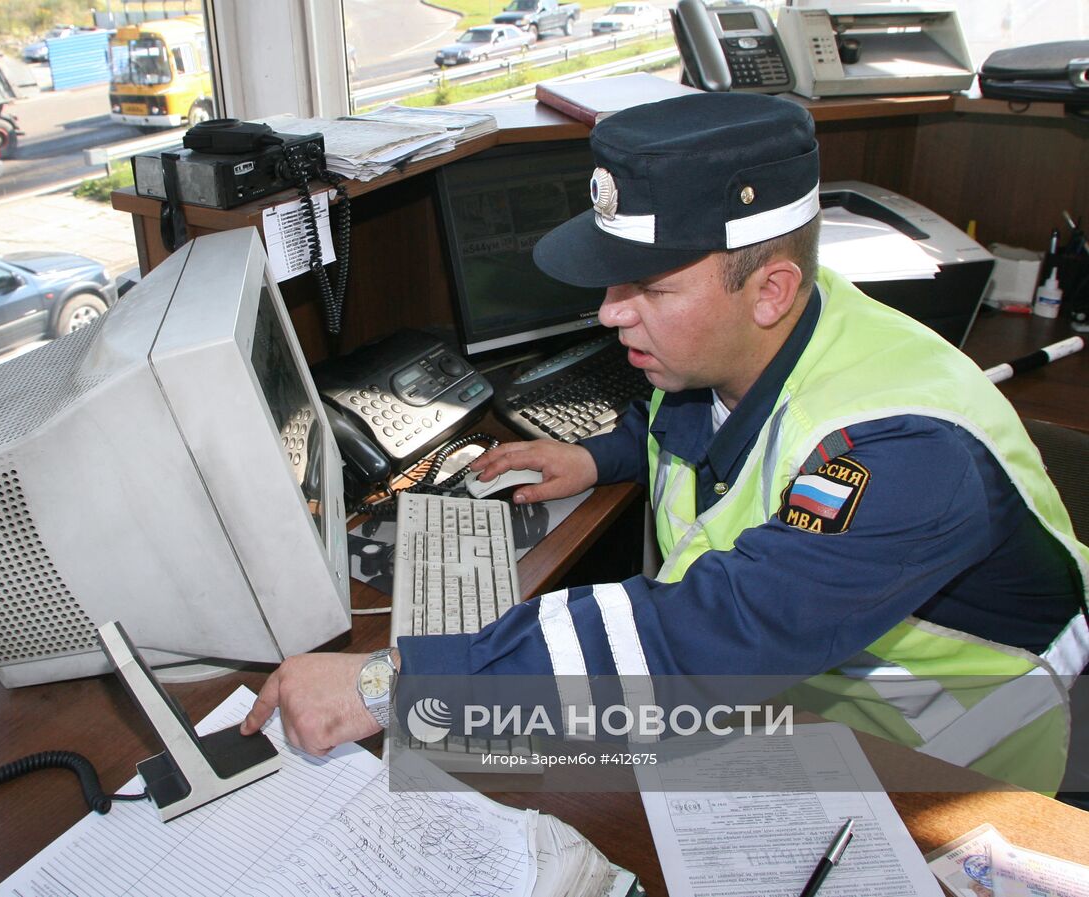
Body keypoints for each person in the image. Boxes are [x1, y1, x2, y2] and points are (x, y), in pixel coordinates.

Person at [242, 92, 1089, 794]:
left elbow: (709, 630)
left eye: (648, 286)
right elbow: (693, 425)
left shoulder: (905, 455)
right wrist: (597, 454)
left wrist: (390, 683)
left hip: (948, 761)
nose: (610, 311)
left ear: (770, 289)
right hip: (802, 693)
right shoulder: (755, 340)